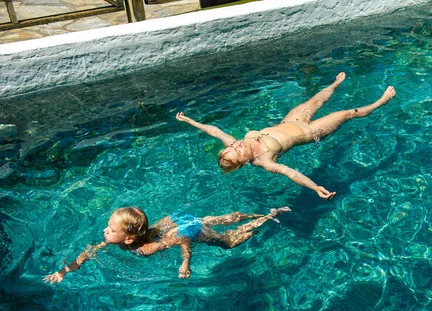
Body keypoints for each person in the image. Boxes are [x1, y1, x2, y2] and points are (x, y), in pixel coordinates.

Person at [176, 72, 396, 199]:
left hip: (290, 121)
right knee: (348, 113)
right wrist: (315, 187)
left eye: (232, 147)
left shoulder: (234, 143)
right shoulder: (264, 160)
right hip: (311, 132)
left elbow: (214, 131)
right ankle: (381, 101)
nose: (236, 146)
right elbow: (291, 173)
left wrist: (189, 120)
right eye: (237, 152)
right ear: (243, 163)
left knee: (314, 101)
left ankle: (336, 83)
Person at [43, 206, 291, 283]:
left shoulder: (145, 248)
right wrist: (63, 272)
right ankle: (260, 213)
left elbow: (182, 240)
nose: (105, 231)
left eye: (110, 229)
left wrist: (185, 263)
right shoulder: (117, 241)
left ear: (128, 239)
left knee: (227, 242)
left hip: (188, 230)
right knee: (212, 218)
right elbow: (88, 253)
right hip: (177, 221)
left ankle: (265, 218)